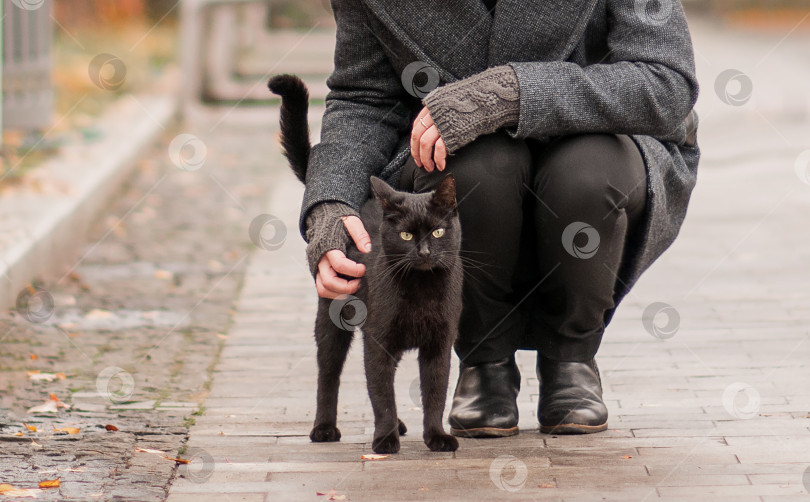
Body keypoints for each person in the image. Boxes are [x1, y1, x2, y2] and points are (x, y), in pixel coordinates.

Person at [299, 0, 699, 437]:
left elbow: (666, 82)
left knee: (582, 176)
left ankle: (571, 357)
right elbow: (364, 99)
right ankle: (485, 362)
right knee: (476, 171)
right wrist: (330, 202)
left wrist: (510, 93)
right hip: (458, 163)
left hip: (603, 147)